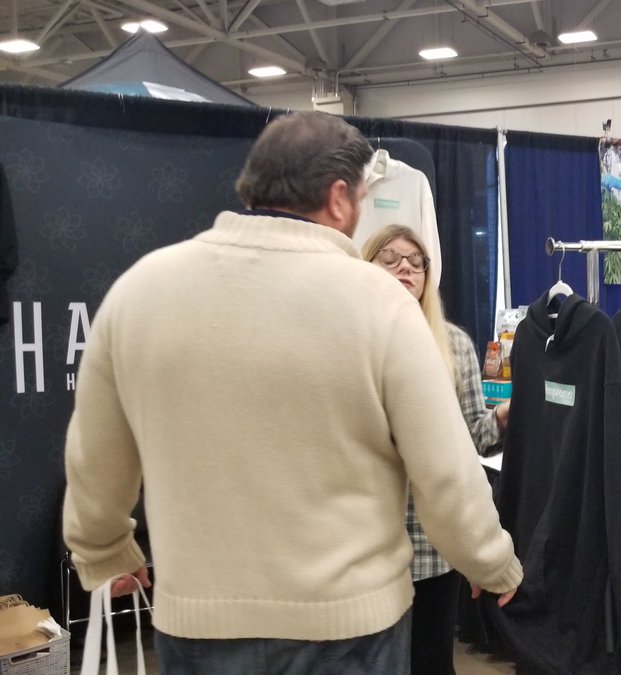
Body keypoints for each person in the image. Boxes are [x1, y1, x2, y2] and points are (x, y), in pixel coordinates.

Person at [61, 111, 521, 674]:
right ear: (337, 199)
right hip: (349, 629)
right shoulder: (379, 304)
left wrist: (104, 551)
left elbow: (95, 456)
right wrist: (493, 563)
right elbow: (446, 474)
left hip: (198, 623)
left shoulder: (140, 289)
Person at [362, 224, 508, 674]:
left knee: (431, 663)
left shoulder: (455, 345)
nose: (405, 267)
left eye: (416, 260)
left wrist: (502, 418)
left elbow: (470, 443)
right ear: (365, 267)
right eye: (390, 258)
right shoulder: (349, 339)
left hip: (431, 544)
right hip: (365, 543)